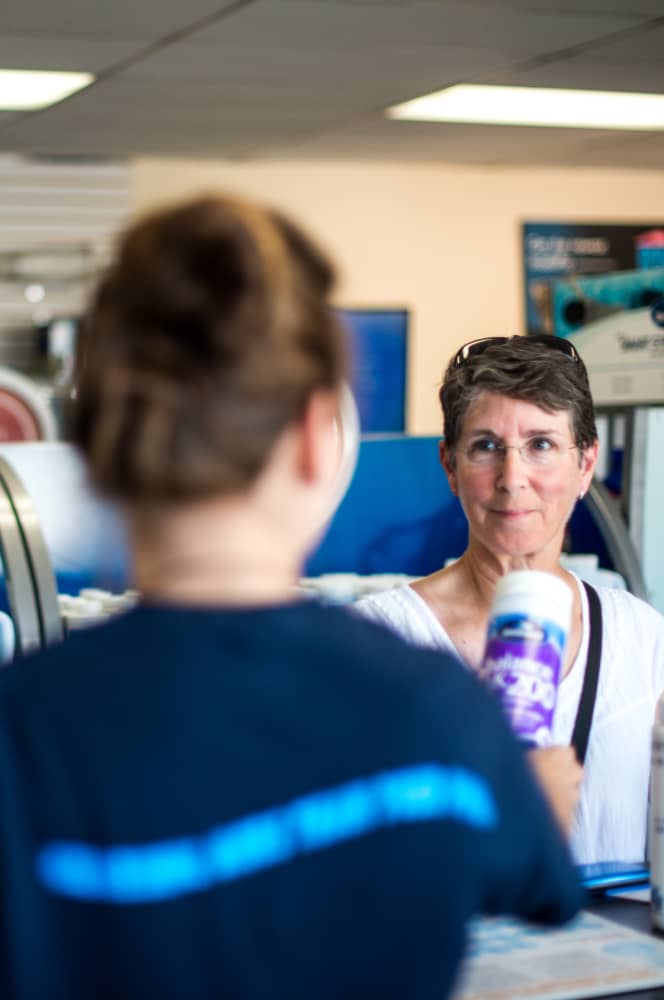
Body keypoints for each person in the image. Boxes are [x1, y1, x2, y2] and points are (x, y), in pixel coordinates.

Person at [0, 201, 582, 1000]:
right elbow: (539, 889)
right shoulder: (441, 714)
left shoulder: (20, 731)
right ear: (318, 436)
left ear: (95, 446)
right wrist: (536, 799)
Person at [355, 334, 664, 866]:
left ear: (586, 464)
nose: (512, 479)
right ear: (450, 466)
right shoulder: (379, 645)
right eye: (486, 446)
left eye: (541, 444)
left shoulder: (643, 640)